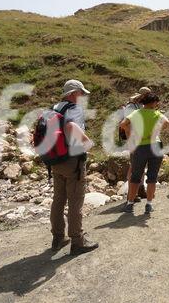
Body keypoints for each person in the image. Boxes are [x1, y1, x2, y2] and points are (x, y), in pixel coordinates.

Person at [50, 80, 98, 255]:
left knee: (58, 199)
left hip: (55, 160)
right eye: (81, 93)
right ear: (73, 93)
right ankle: (77, 241)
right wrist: (88, 142)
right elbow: (71, 127)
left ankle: (58, 238)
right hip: (72, 160)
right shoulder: (74, 109)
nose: (83, 96)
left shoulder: (55, 107)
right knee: (75, 201)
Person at [120, 93, 169, 214]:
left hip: (139, 146)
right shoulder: (157, 113)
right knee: (152, 176)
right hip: (155, 145)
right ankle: (148, 204)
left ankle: (130, 204)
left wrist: (131, 134)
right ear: (153, 102)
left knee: (136, 176)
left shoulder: (136, 113)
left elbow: (122, 124)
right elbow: (167, 123)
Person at [121, 87, 152, 203]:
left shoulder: (141, 106)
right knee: (134, 167)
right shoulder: (131, 107)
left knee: (141, 166)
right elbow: (126, 125)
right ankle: (131, 193)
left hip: (142, 139)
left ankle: (140, 190)